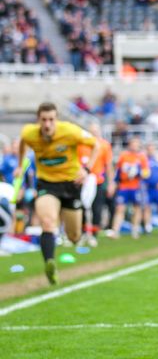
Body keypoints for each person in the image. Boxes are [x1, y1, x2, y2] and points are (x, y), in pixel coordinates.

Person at [15, 102, 100, 284]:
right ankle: (49, 264)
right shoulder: (29, 133)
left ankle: (72, 233)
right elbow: (22, 144)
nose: (47, 124)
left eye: (51, 120)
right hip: (47, 183)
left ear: (56, 119)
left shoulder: (70, 131)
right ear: (38, 120)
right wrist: (19, 165)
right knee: (47, 222)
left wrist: (86, 169)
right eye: (44, 120)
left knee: (74, 236)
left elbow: (96, 145)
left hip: (71, 184)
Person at [77, 123, 115, 246]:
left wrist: (111, 183)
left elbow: (108, 165)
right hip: (83, 180)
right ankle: (83, 233)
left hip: (97, 180)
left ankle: (93, 234)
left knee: (96, 209)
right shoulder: (81, 145)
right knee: (82, 207)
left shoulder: (104, 145)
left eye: (96, 131)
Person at [108, 137, 149, 239]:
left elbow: (147, 173)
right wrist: (114, 183)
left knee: (137, 209)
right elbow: (118, 171)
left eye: (136, 144)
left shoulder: (142, 157)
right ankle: (115, 230)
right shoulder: (124, 156)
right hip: (124, 186)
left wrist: (137, 172)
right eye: (133, 144)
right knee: (120, 208)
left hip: (136, 187)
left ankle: (135, 230)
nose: (134, 146)